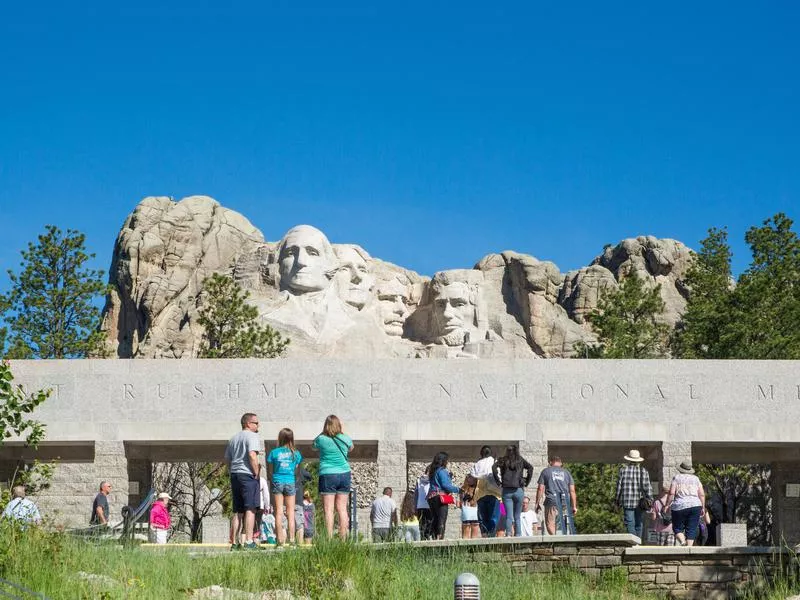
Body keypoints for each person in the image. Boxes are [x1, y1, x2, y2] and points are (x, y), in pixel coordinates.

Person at [224, 412, 263, 550]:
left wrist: (232, 470)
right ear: (248, 424)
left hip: (235, 474)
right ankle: (248, 541)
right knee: (250, 509)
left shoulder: (233, 438)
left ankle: (234, 542)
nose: (258, 425)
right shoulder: (252, 436)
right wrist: (256, 472)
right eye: (256, 423)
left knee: (237, 511)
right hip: (247, 475)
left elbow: (227, 459)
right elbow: (252, 455)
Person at [312, 414, 353, 538]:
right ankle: (343, 538)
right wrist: (342, 431)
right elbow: (351, 448)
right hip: (344, 473)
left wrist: (323, 432)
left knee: (328, 509)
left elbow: (313, 446)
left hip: (328, 474)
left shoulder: (322, 439)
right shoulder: (345, 438)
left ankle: (329, 539)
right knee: (342, 508)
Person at [267, 427, 303, 545]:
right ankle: (292, 540)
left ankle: (280, 541)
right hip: (290, 481)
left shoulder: (274, 452)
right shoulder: (296, 454)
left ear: (280, 438)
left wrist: (273, 479)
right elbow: (297, 471)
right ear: (292, 438)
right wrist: (294, 478)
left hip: (277, 481)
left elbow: (270, 470)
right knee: (290, 512)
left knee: (278, 512)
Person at [492, 445, 534, 538]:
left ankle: (508, 534)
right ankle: (518, 534)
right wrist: (526, 481)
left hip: (506, 491)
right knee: (517, 516)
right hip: (518, 490)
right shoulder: (520, 460)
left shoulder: (503, 460)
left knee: (508, 515)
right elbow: (531, 468)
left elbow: (494, 468)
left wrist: (498, 481)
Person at [615, 449, 653, 540]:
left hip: (627, 501)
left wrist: (616, 501)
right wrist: (650, 500)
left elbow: (619, 487)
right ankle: (638, 542)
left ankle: (633, 542)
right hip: (640, 502)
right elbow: (647, 487)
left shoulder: (623, 470)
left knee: (629, 522)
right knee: (639, 522)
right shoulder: (643, 471)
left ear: (629, 460)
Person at [666, 461, 706, 547]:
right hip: (695, 505)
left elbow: (672, 493)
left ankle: (683, 542)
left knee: (677, 528)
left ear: (680, 469)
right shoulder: (696, 479)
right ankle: (689, 548)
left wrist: (667, 505)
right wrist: (703, 507)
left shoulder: (676, 478)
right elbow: (702, 494)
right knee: (692, 528)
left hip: (679, 505)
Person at [535, 456, 577, 535]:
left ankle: (556, 541)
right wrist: (574, 506)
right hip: (565, 502)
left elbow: (540, 488)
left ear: (550, 462)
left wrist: (537, 503)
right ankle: (560, 539)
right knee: (560, 522)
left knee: (550, 523)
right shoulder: (567, 473)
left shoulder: (546, 471)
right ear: (560, 463)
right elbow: (572, 490)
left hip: (552, 500)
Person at [426, 452, 460, 539]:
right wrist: (459, 490)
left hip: (431, 497)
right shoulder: (442, 471)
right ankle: (440, 541)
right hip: (440, 498)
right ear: (444, 461)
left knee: (435, 520)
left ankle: (434, 540)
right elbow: (445, 485)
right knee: (441, 521)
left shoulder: (433, 471)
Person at [470, 445, 501, 537]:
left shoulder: (478, 464)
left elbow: (473, 478)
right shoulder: (494, 462)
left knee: (483, 519)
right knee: (496, 519)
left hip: (481, 495)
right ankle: (494, 537)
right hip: (496, 496)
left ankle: (485, 537)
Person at [294, 465, 313, 543]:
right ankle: (300, 546)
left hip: (285, 502)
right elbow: (310, 477)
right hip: (298, 501)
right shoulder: (300, 470)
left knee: (284, 526)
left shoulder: (283, 469)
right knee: (299, 526)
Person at [460, 474, 480, 539]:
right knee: (467, 528)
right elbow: (460, 502)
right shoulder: (463, 489)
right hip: (467, 510)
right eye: (468, 478)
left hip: (473, 510)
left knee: (474, 528)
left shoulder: (478, 489)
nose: (470, 479)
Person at [414, 472, 433, 540]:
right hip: (429, 505)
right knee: (429, 523)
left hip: (420, 505)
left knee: (421, 523)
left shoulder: (418, 480)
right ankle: (427, 536)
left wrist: (415, 506)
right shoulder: (432, 480)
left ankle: (422, 538)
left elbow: (416, 494)